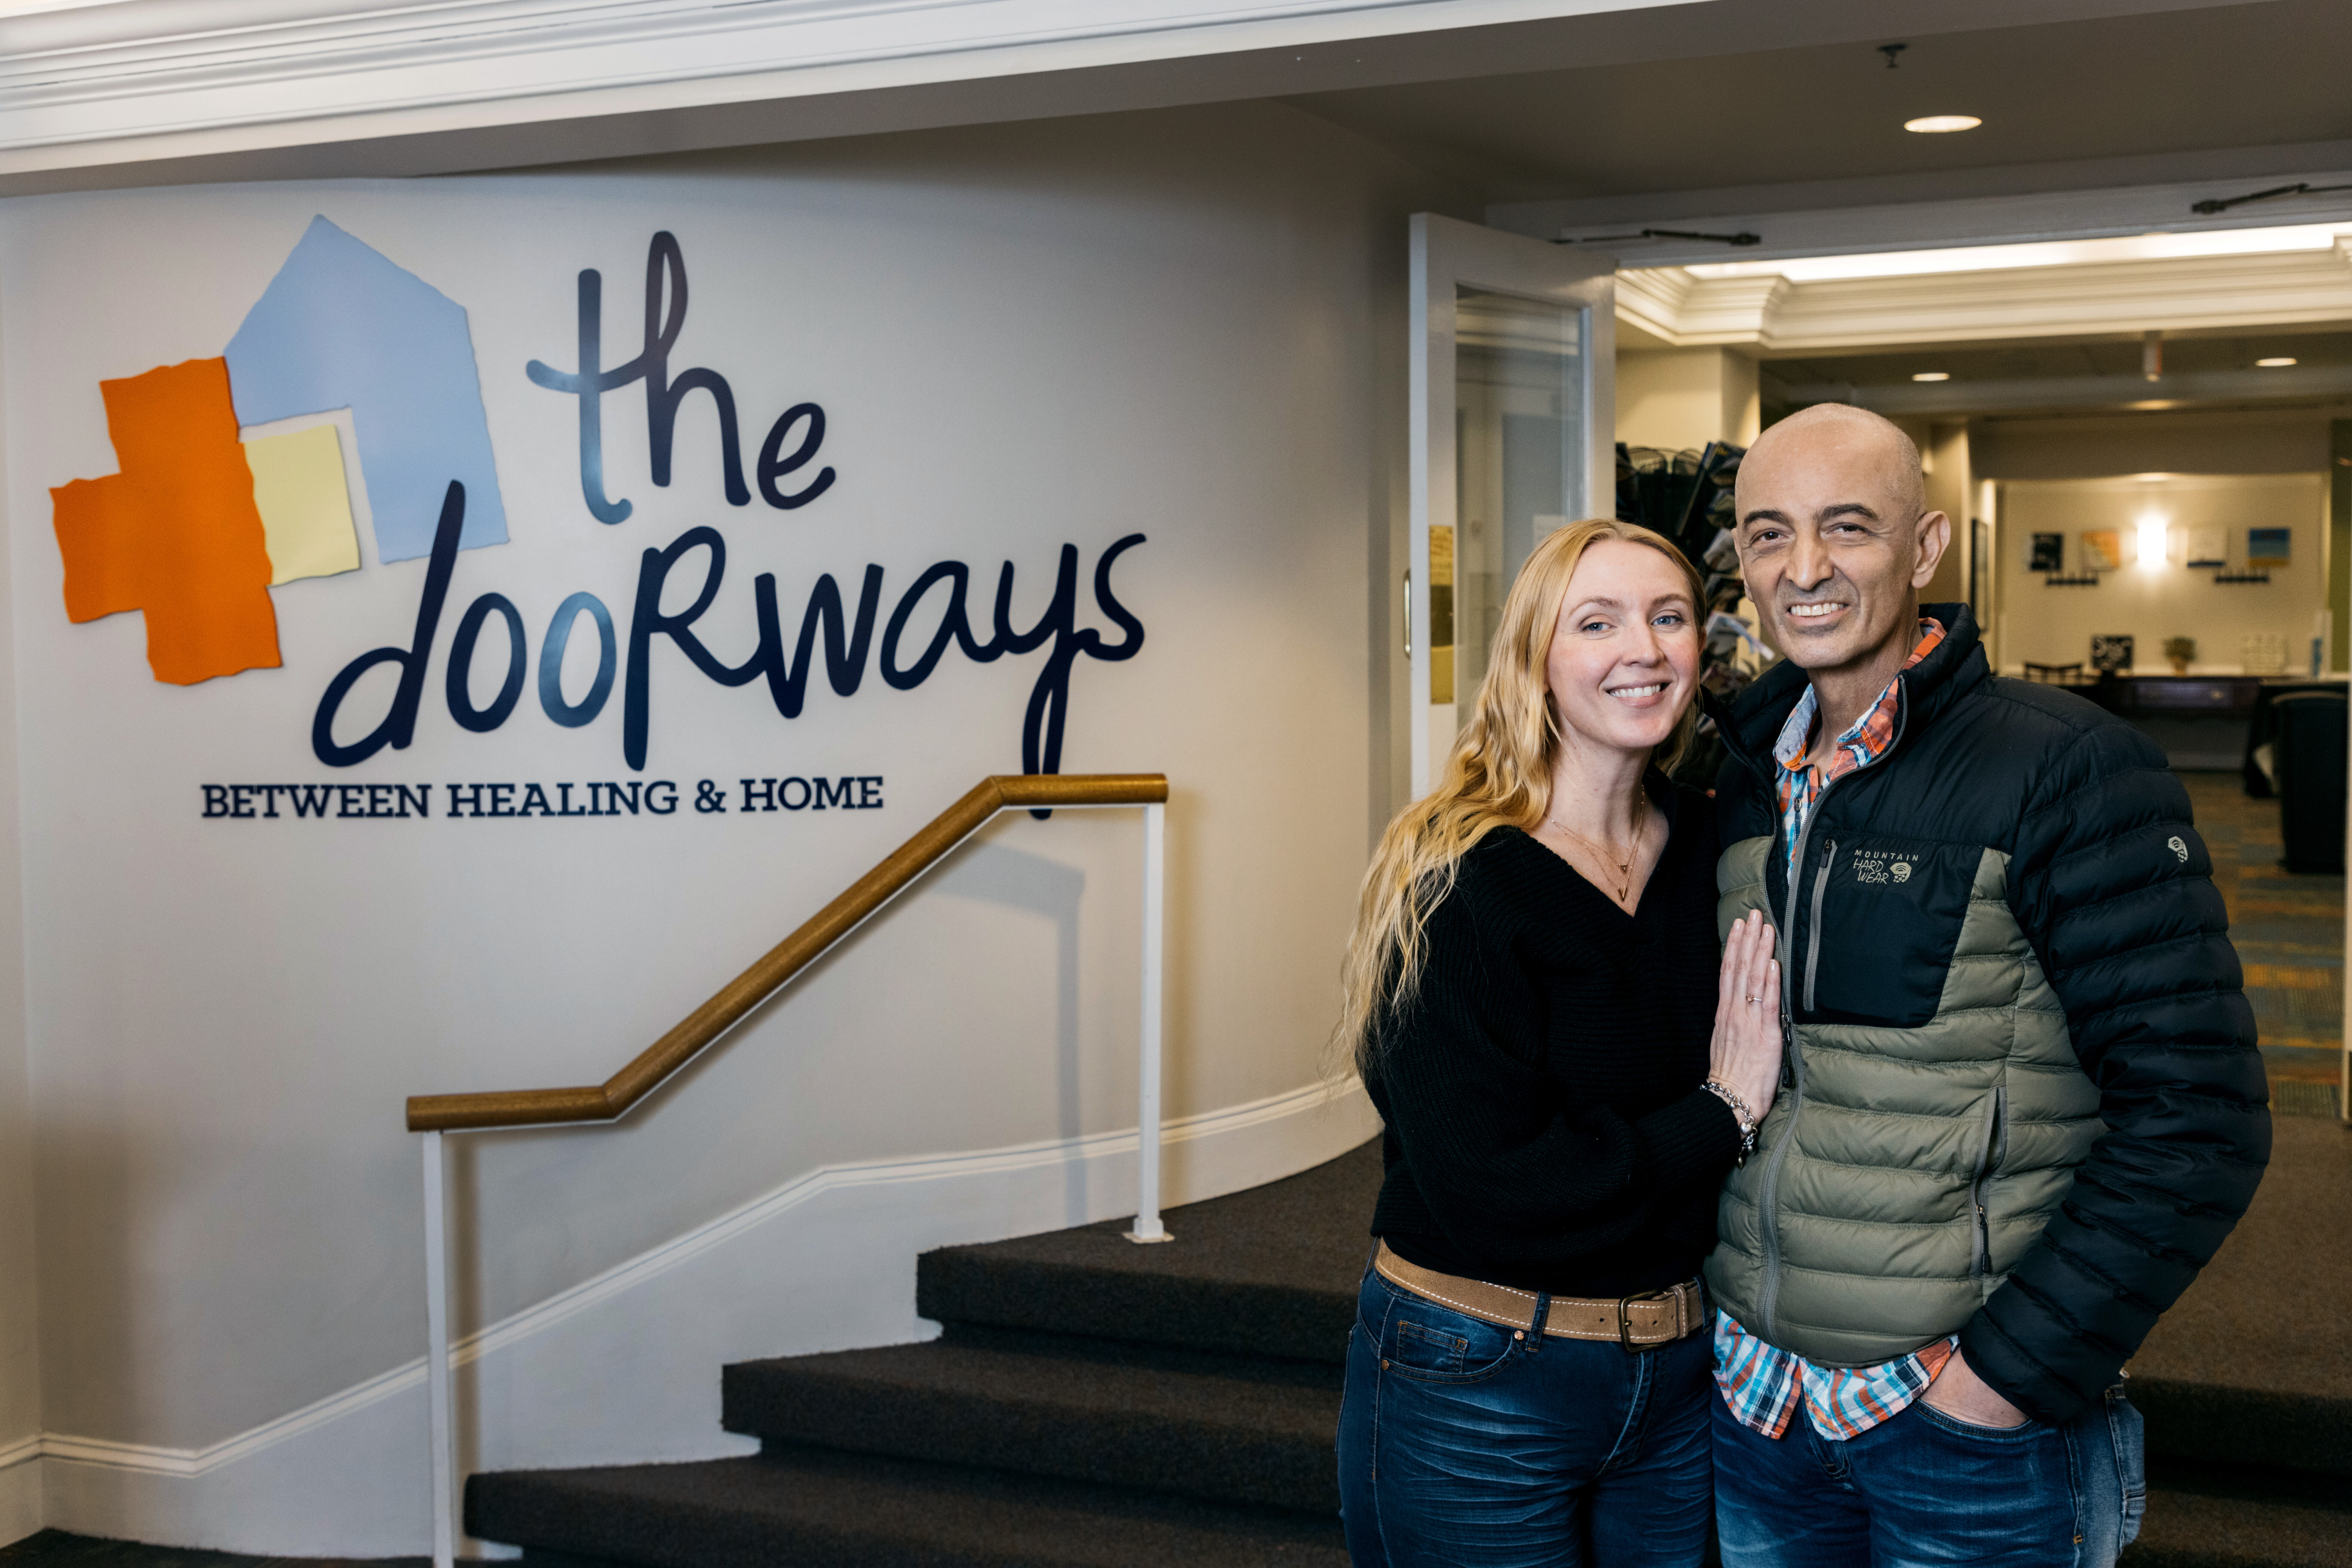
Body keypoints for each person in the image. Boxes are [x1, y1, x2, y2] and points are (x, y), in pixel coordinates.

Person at [1704, 404, 2271, 1568]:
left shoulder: (2065, 765)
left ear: (1926, 548)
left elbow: (2199, 1112)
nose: (1802, 569)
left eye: (1846, 527)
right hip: (1758, 1409)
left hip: (1961, 1432)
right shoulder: (1736, 775)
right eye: (1768, 535)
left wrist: (2003, 1380)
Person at [1332, 517, 1783, 1567]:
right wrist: (1721, 1113)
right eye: (1598, 623)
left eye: (1669, 618)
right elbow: (1497, 1186)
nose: (1645, 649)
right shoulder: (1454, 876)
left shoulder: (1714, 845)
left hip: (1680, 1371)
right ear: (1535, 658)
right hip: (1477, 1368)